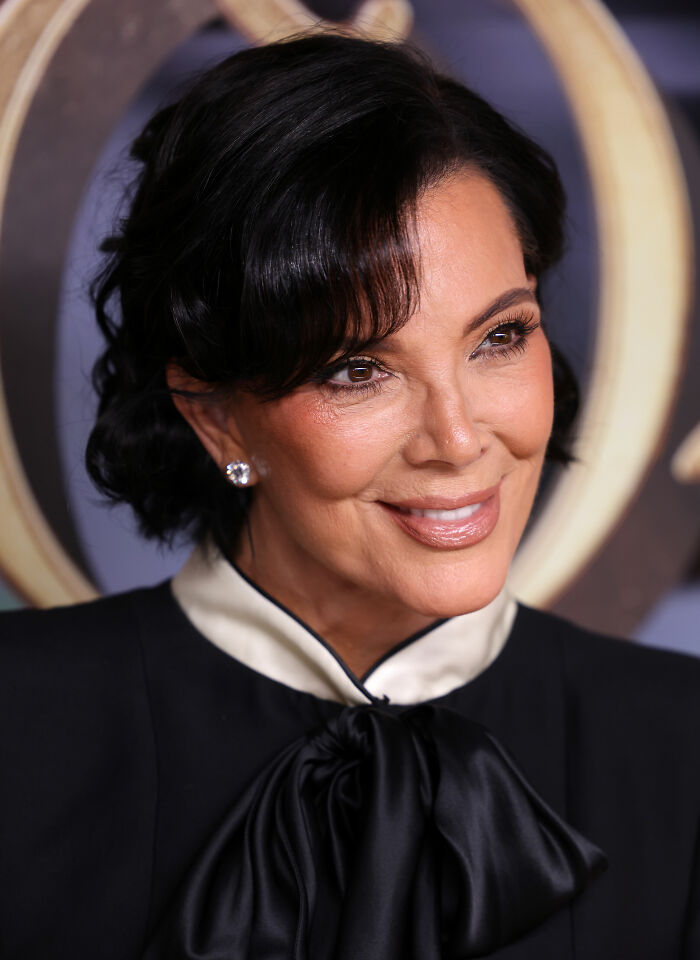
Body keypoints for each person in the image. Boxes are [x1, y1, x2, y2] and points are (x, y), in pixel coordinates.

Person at [1, 33, 698, 960]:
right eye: (359, 369)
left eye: (499, 337)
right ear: (217, 419)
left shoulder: (682, 746)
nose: (457, 439)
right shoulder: (17, 723)